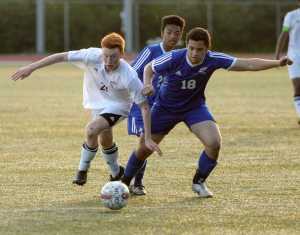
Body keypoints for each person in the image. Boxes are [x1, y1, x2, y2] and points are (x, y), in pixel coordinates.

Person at [121, 27, 293, 198]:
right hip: (165, 108)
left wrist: (277, 63)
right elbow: (149, 67)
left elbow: (247, 63)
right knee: (144, 149)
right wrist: (148, 84)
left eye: (200, 49)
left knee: (214, 143)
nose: (195, 53)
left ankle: (199, 182)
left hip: (194, 108)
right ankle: (124, 183)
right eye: (191, 48)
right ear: (187, 45)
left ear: (207, 49)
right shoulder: (174, 57)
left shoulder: (213, 59)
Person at [10, 32, 161, 186]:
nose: (108, 61)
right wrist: (31, 67)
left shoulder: (129, 75)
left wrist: (148, 137)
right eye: (106, 56)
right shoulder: (91, 55)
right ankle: (116, 172)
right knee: (105, 139)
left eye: (113, 57)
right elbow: (60, 56)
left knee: (91, 130)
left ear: (122, 54)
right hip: (97, 104)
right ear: (101, 51)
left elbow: (144, 106)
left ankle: (82, 170)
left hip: (119, 106)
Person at [127, 15, 186, 195]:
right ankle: (137, 182)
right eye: (169, 32)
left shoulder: (180, 55)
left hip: (160, 108)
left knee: (145, 144)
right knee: (144, 140)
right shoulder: (151, 51)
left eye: (177, 33)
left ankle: (131, 179)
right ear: (162, 33)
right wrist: (145, 85)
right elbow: (131, 71)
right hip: (141, 104)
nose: (173, 36)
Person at [275, 0, 300, 124]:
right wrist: (277, 55)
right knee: (297, 87)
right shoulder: (291, 15)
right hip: (294, 57)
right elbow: (284, 34)